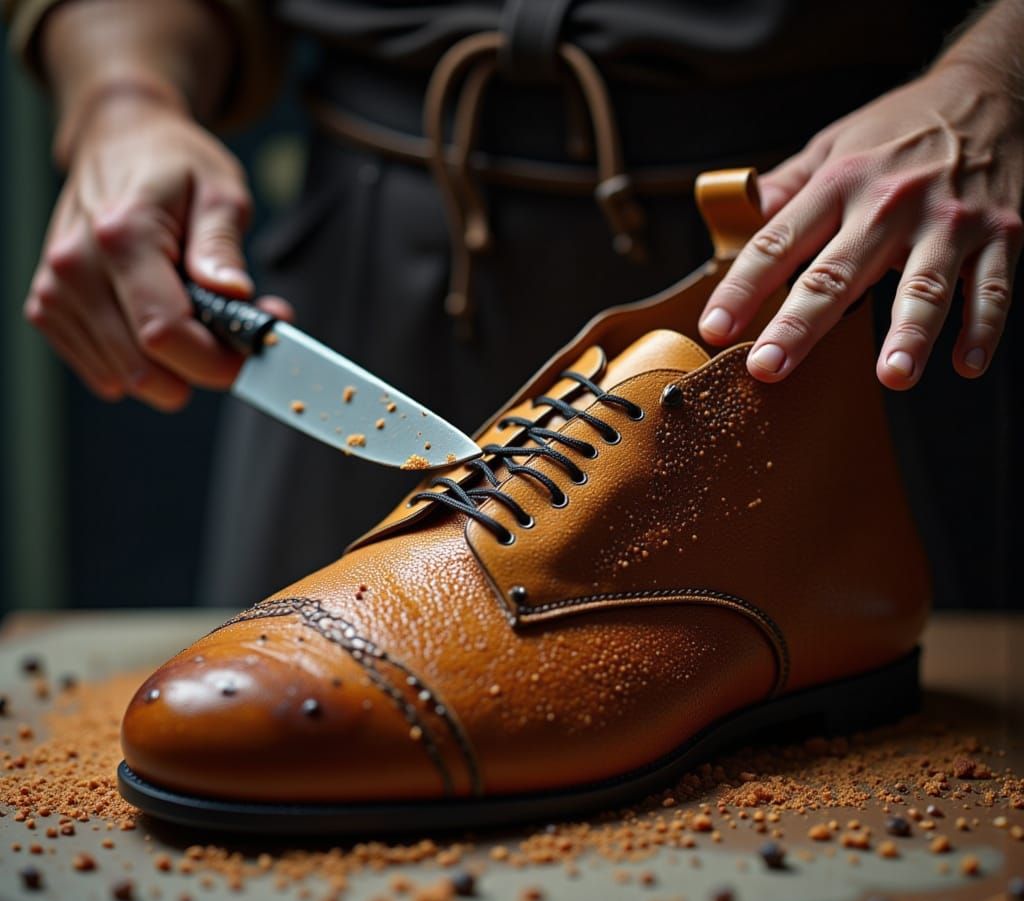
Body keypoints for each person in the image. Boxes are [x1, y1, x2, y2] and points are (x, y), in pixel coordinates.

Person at [7, 0, 1022, 605]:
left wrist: (993, 80)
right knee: (290, 754)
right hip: (371, 264)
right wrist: (122, 99)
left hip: (846, 259)